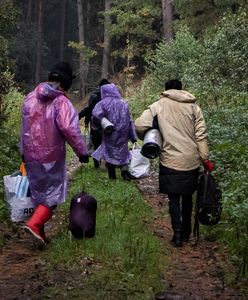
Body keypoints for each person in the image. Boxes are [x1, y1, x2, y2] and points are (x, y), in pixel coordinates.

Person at [135, 79, 214, 247]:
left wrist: (150, 133)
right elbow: (201, 135)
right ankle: (186, 232)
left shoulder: (158, 105)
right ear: (181, 89)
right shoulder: (194, 107)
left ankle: (177, 234)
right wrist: (205, 158)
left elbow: (140, 124)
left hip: (170, 160)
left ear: (166, 90)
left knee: (173, 198)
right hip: (190, 160)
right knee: (187, 197)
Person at [20, 61, 89, 246]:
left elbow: (24, 127)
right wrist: (81, 152)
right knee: (52, 196)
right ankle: (34, 224)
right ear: (67, 82)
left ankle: (40, 234)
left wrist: (22, 151)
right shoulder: (61, 101)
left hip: (30, 154)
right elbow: (69, 128)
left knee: (39, 194)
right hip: (51, 156)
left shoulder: (30, 98)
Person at [91, 83, 137, 180]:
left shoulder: (103, 103)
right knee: (123, 151)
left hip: (110, 132)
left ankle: (112, 176)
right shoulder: (124, 103)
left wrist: (99, 124)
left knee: (109, 152)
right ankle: (124, 169)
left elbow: (95, 115)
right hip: (123, 132)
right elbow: (130, 120)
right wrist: (133, 136)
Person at [78, 79, 110, 168]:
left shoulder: (94, 96)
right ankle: (107, 164)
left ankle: (97, 165)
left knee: (96, 144)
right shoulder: (111, 96)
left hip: (95, 124)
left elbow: (89, 109)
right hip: (109, 124)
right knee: (107, 143)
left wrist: (85, 119)